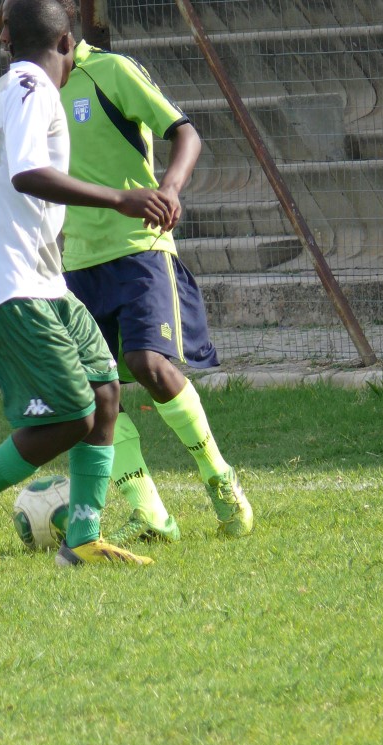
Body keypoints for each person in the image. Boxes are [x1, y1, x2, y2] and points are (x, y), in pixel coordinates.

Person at [0, 0, 175, 569]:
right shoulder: (33, 87)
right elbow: (27, 173)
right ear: (65, 44)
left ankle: (82, 538)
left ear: (9, 40)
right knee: (69, 417)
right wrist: (122, 197)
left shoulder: (11, 86)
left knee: (104, 392)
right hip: (7, 284)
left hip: (42, 281)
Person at [55, 20, 255, 540]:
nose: (8, 42)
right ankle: (149, 511)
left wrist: (169, 188)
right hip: (77, 261)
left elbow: (184, 131)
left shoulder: (111, 71)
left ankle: (219, 475)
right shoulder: (32, 92)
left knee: (149, 363)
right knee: (95, 393)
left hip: (140, 248)